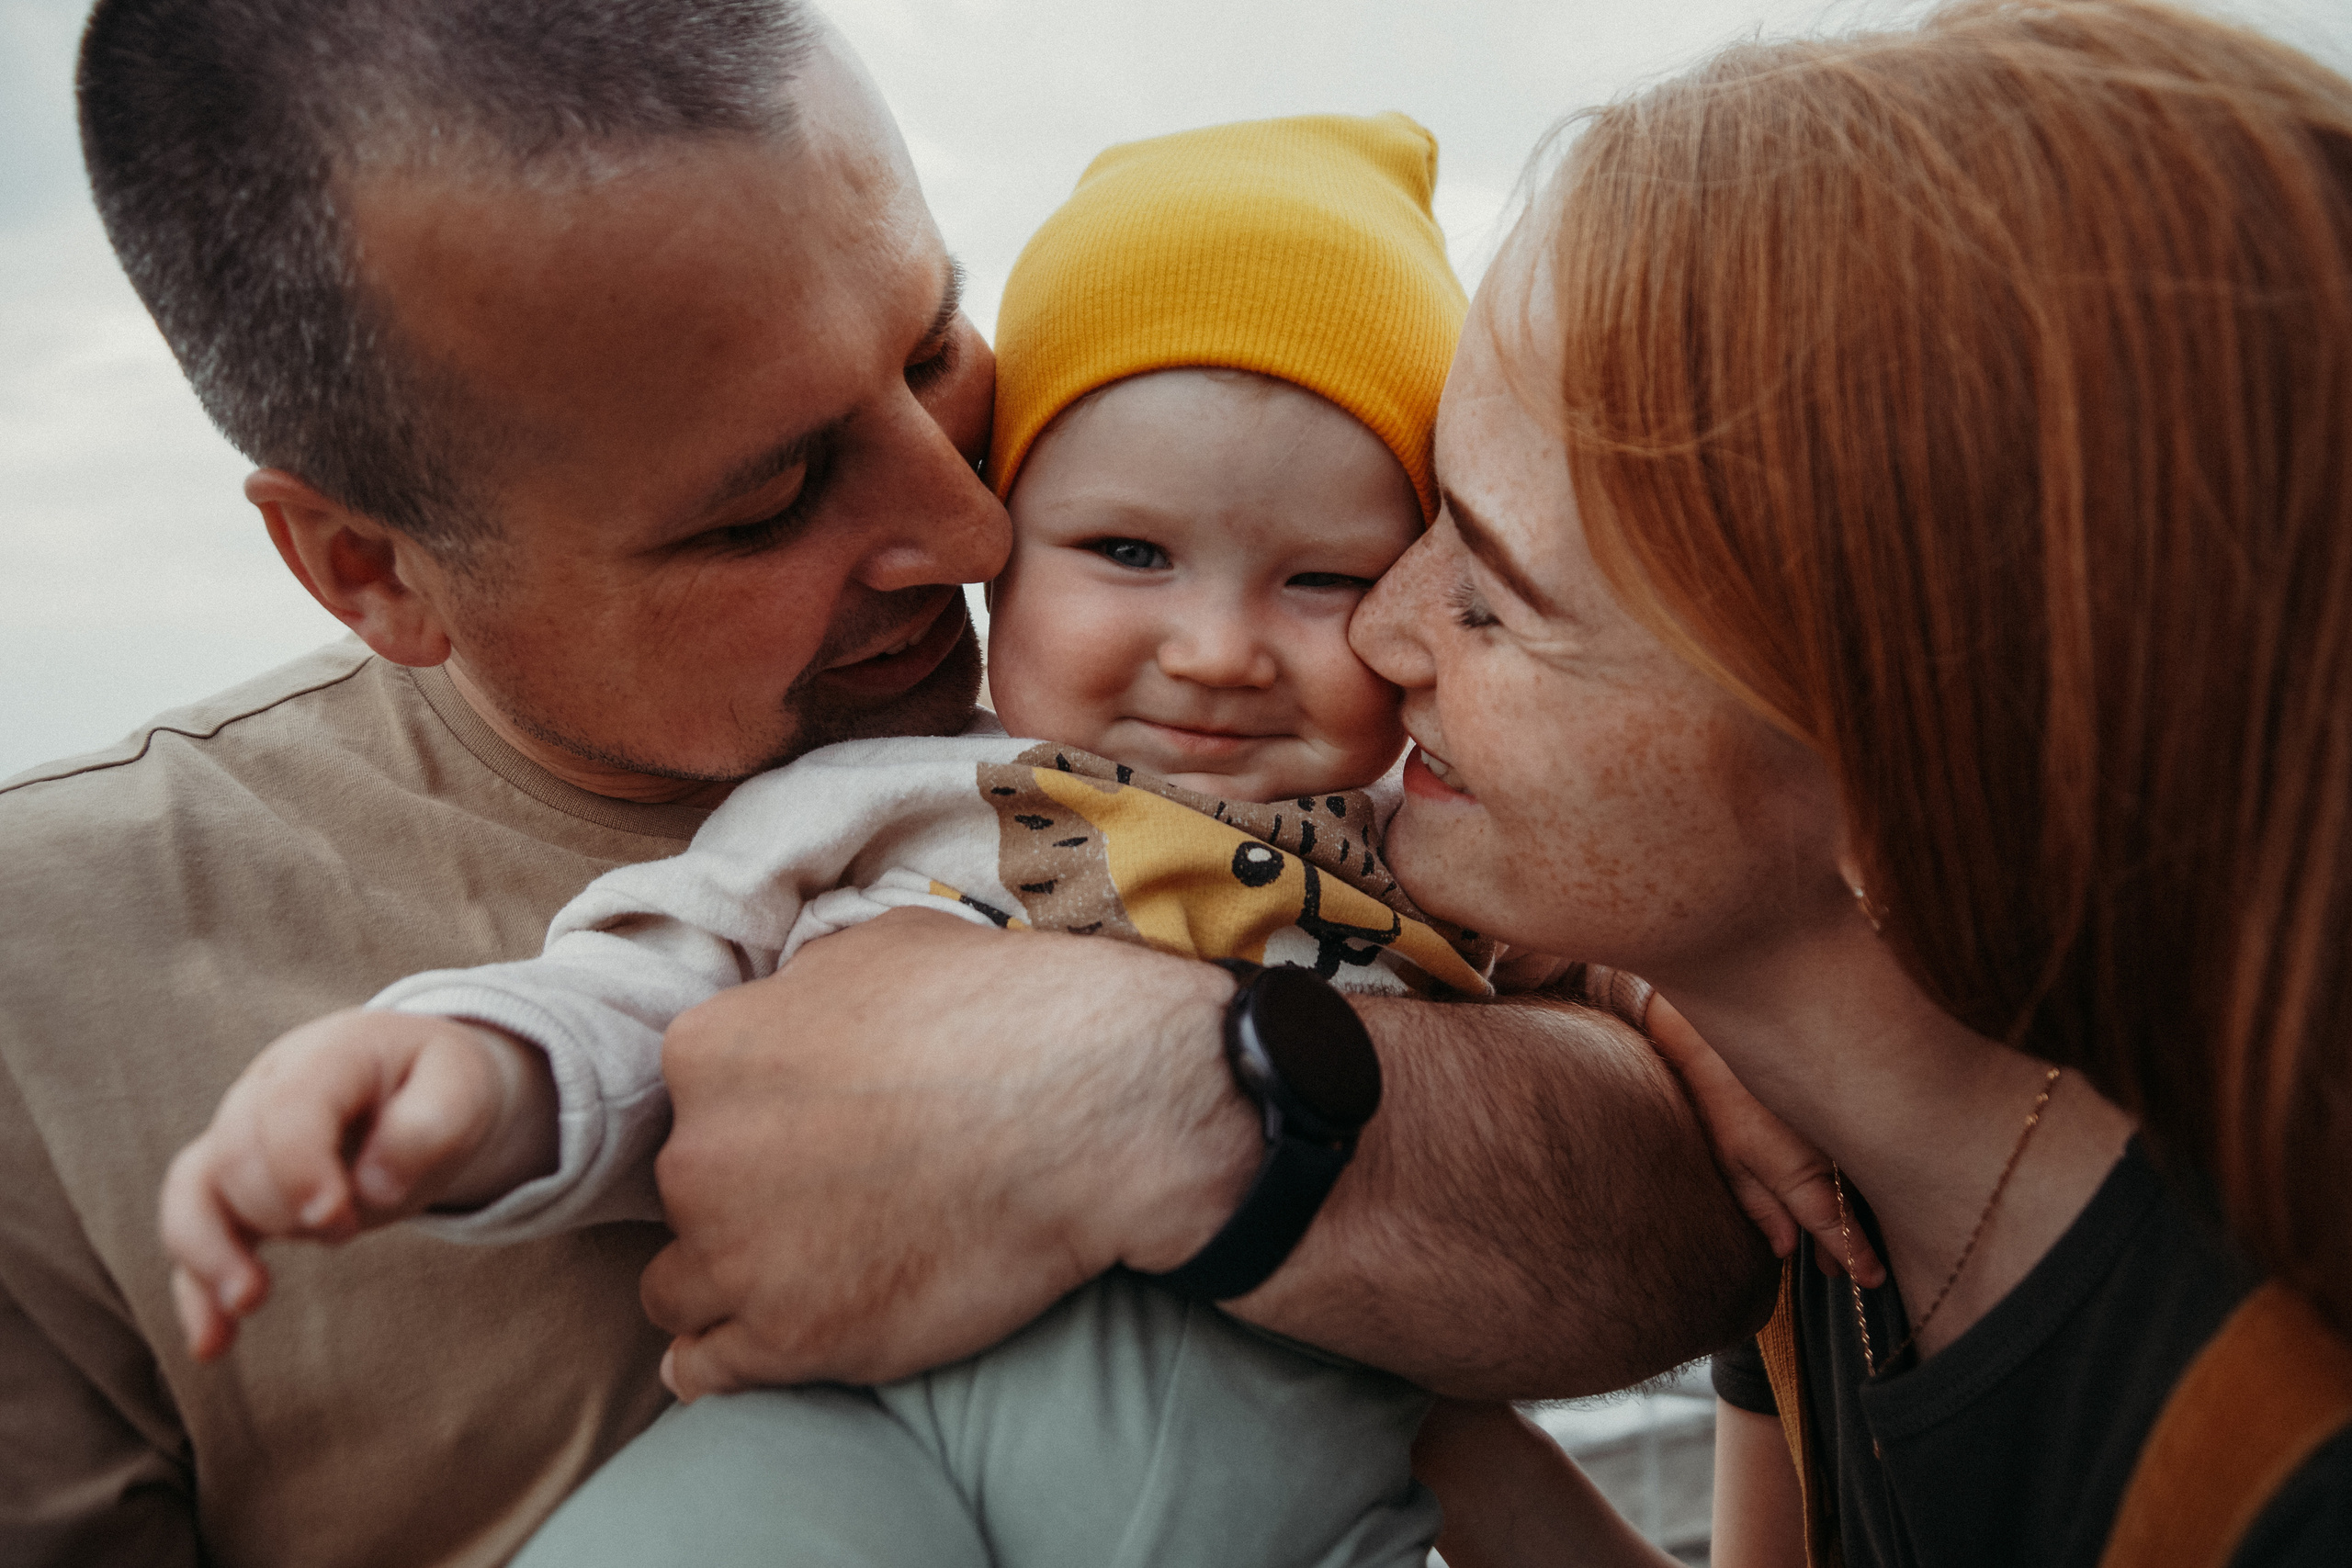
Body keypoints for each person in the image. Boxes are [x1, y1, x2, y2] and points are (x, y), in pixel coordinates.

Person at [7, 3, 1818, 1562]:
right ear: (366, 569)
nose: (965, 523)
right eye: (761, 502)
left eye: (934, 348)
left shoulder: (1295, 760)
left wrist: (1179, 1100)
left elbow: (1683, 1236)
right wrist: (472, 1079)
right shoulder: (48, 996)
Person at [162, 111, 1514, 1568]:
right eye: (1130, 552)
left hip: (1309, 1494)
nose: (1216, 650)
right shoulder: (887, 795)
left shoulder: (1435, 834)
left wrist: (1708, 1059)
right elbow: (654, 999)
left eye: (1325, 577)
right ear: (1014, 529)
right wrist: (474, 1073)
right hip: (869, 1440)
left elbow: (1616, 977)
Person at [1359, 2, 2352, 1564]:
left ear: (1898, 750)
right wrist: (1392, 1404)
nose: (1377, 629)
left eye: (1490, 597)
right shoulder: (1842, 1199)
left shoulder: (2289, 1476)